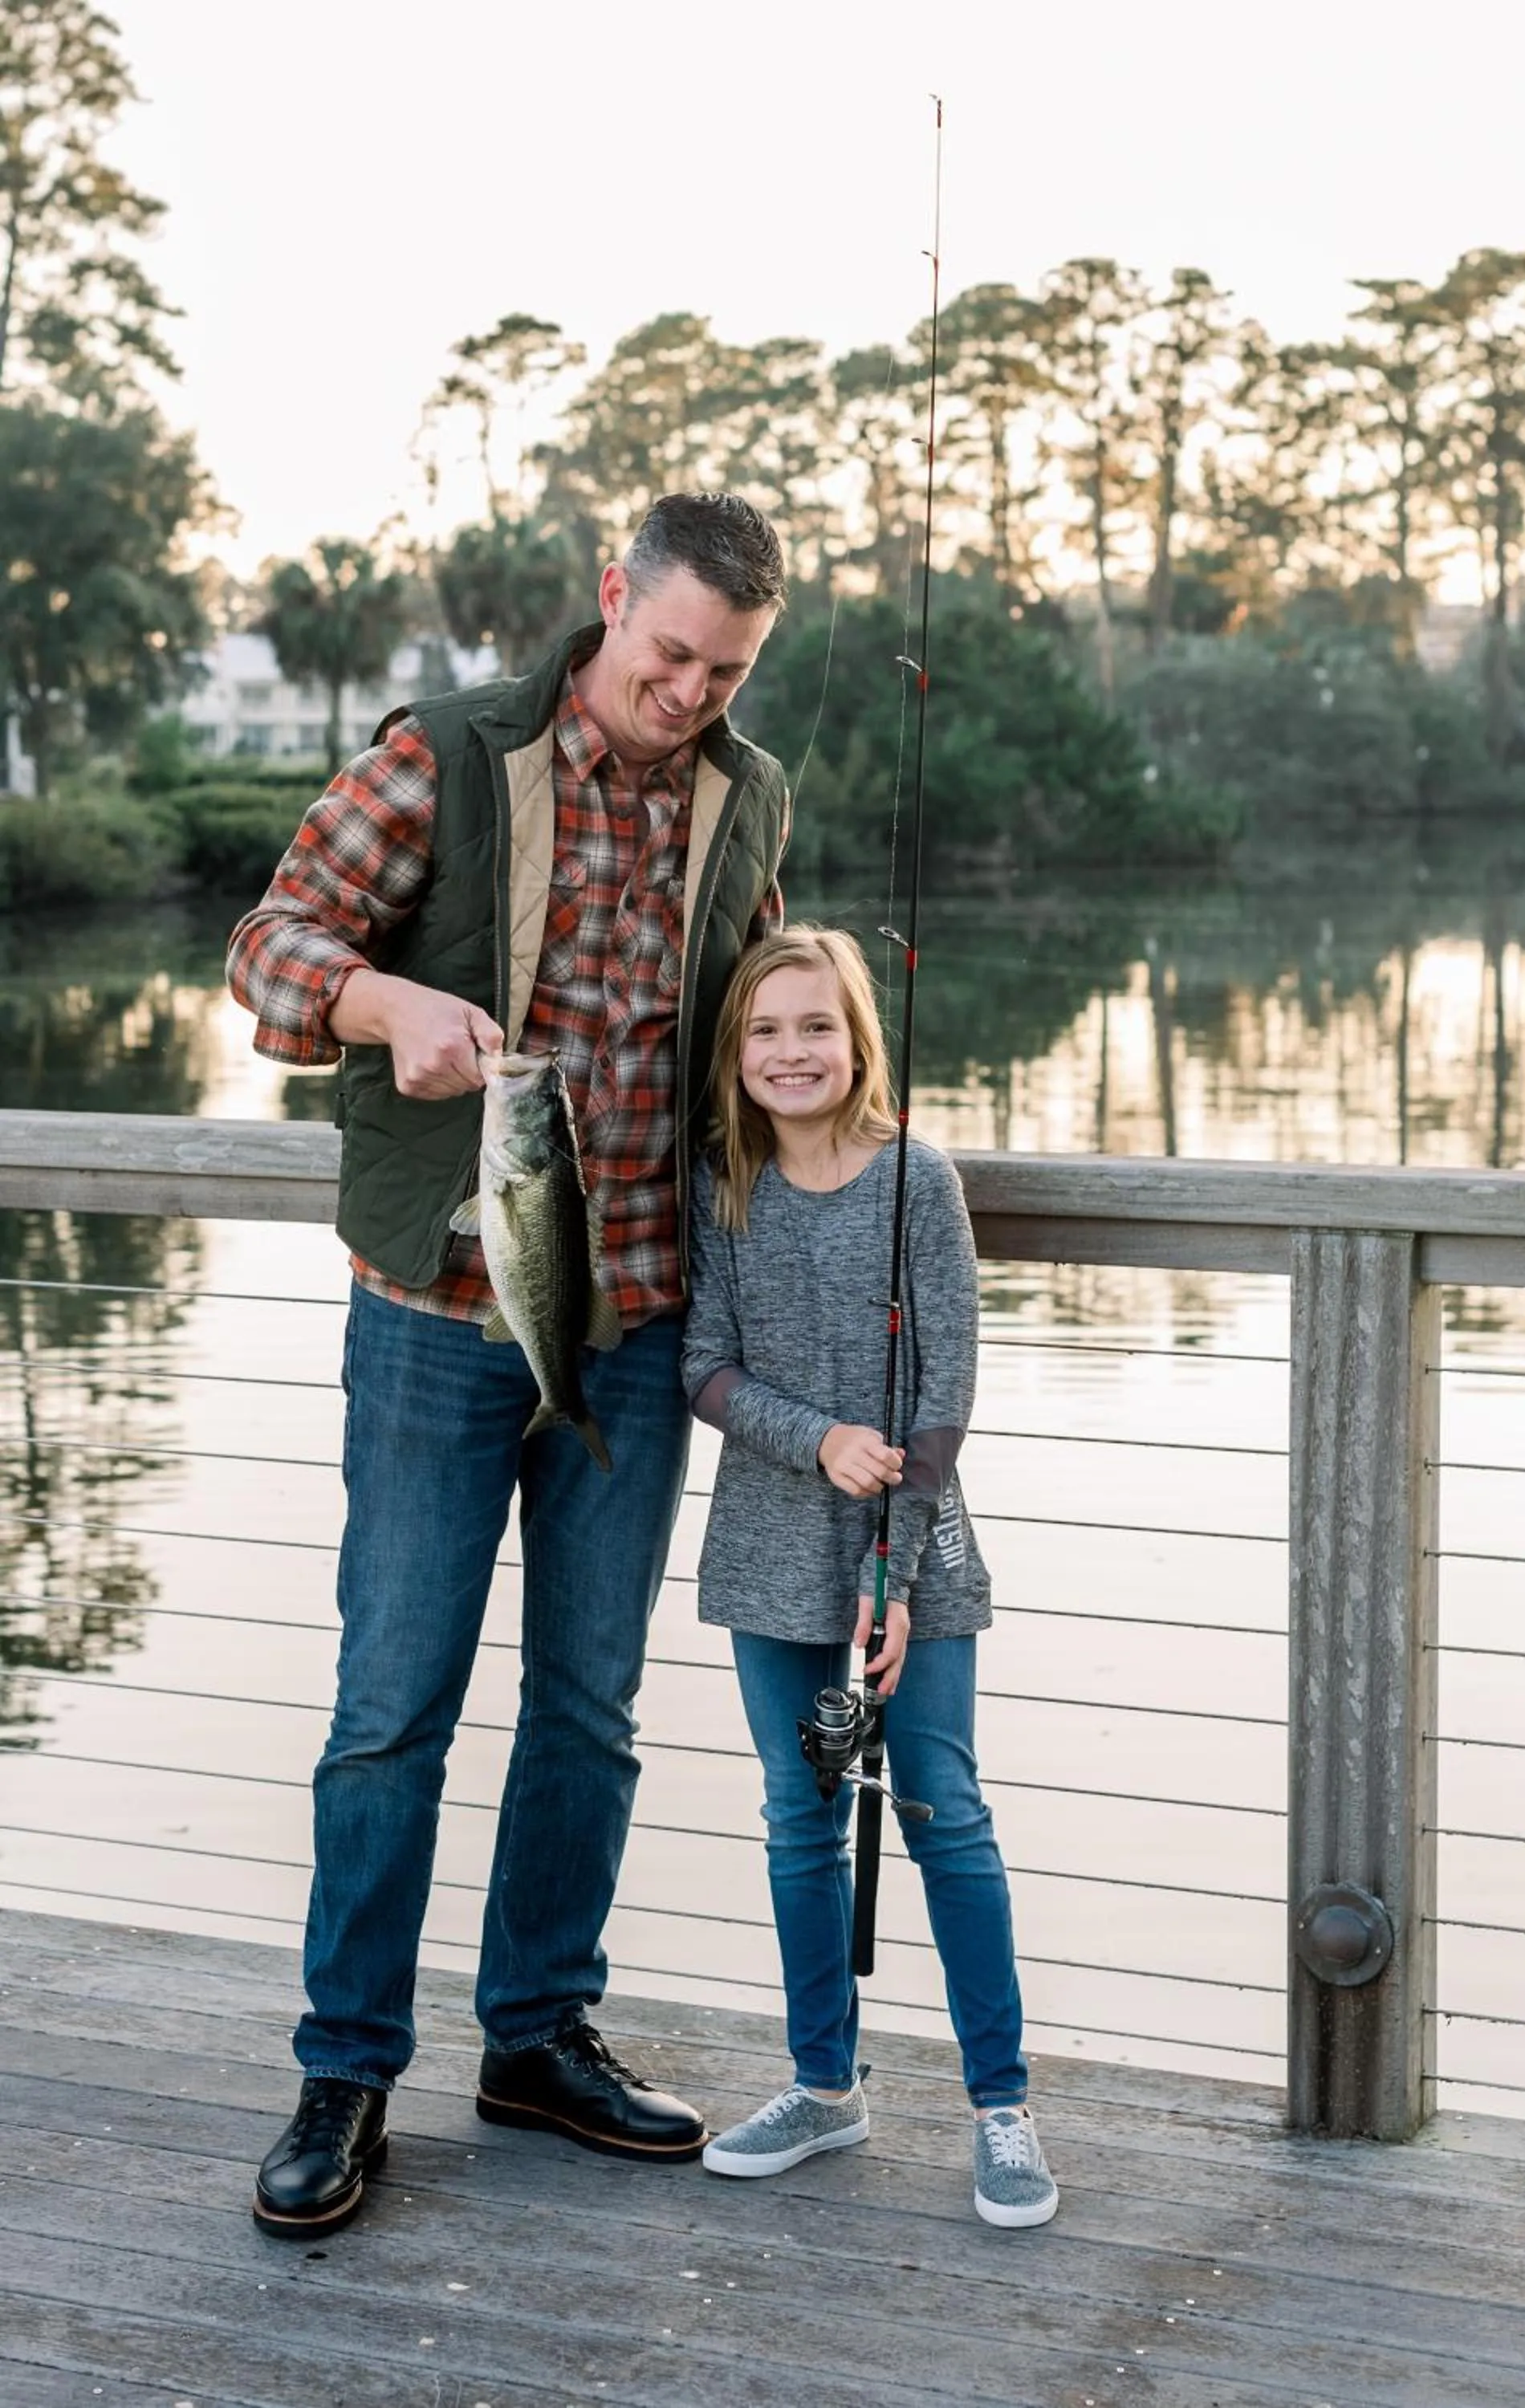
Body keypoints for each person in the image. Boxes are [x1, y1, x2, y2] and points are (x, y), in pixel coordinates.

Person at [226, 493, 791, 2235]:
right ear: (609, 602)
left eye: (724, 669)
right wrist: (385, 1008)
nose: (687, 689)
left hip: (629, 1331)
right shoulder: (447, 753)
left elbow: (765, 1017)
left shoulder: (745, 800)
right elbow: (269, 946)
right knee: (388, 1709)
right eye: (667, 651)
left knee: (589, 1709)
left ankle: (535, 2035)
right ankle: (345, 2070)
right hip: (433, 1324)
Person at [681, 927, 1059, 2229]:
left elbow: (945, 1389)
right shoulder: (719, 1186)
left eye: (816, 1027)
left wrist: (897, 1558)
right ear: (735, 1054)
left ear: (858, 1041)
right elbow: (704, 1370)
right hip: (771, 1535)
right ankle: (821, 2086)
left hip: (917, 1541)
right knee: (800, 1812)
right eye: (765, 1032)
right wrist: (816, 1439)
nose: (792, 1054)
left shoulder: (919, 1180)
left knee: (942, 1807)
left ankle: (1000, 2108)